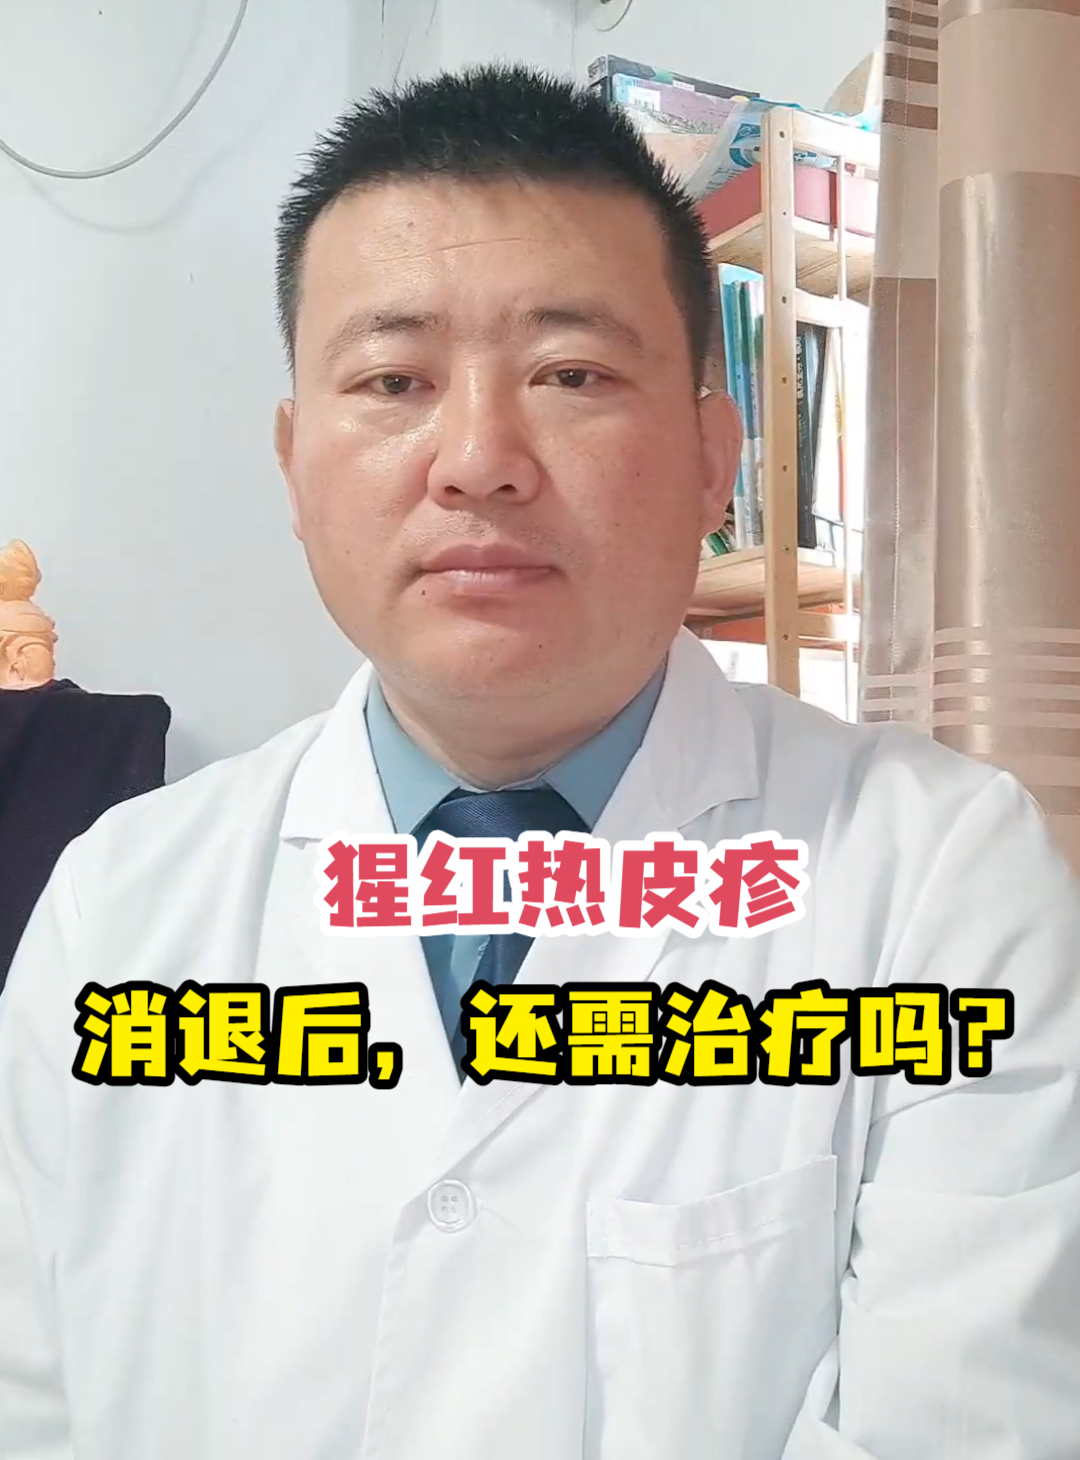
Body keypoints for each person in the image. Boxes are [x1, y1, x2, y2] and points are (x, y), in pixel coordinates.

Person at [1, 64, 1078, 1460]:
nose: (478, 460)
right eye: (394, 381)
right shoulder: (118, 910)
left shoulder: (939, 883)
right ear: (295, 464)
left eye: (573, 375)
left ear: (714, 456)